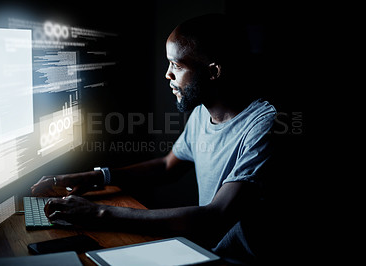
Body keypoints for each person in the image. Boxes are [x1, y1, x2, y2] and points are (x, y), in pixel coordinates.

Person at [31, 14, 277, 265]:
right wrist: (95, 176)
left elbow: (214, 217)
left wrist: (100, 212)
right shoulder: (203, 113)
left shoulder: (266, 125)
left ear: (213, 71)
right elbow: (167, 166)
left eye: (177, 66)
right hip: (207, 255)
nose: (167, 75)